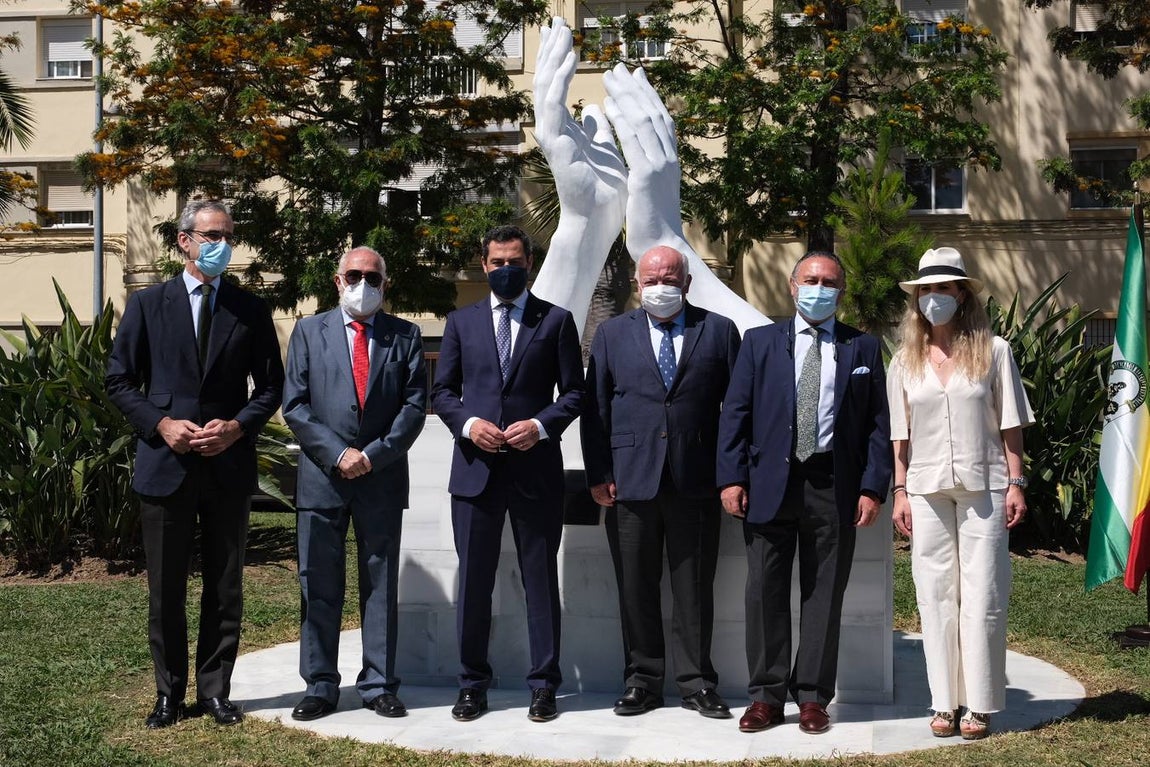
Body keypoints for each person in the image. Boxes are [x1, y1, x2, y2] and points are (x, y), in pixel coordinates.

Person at [105, 199, 284, 729]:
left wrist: (237, 426)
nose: (222, 245)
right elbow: (119, 381)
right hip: (166, 465)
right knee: (166, 588)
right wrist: (160, 424)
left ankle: (215, 691)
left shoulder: (249, 309)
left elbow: (270, 386)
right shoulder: (147, 305)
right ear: (184, 240)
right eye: (212, 235)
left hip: (227, 468)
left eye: (228, 235)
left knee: (225, 584)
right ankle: (168, 694)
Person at [716, 251, 891, 735]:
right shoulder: (759, 343)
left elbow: (878, 426)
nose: (819, 288)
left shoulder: (863, 349)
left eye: (829, 281)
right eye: (810, 279)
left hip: (833, 487)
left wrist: (874, 487)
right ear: (793, 287)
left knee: (823, 593)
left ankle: (813, 696)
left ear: (841, 291)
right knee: (764, 593)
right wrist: (731, 477)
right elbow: (736, 414)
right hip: (768, 486)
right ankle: (766, 698)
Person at [430, 225, 585, 723]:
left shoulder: (556, 321)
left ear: (529, 264)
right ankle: (472, 684)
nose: (504, 269)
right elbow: (443, 393)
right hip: (475, 472)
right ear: (483, 264)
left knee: (540, 581)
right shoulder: (459, 322)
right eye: (496, 262)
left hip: (535, 471)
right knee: (474, 582)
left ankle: (544, 685)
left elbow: (575, 394)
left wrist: (541, 426)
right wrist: (470, 425)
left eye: (513, 261)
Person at [581, 245, 740, 718]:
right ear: (636, 284)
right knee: (635, 586)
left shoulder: (719, 331)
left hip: (696, 481)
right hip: (629, 483)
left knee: (694, 587)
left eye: (669, 278)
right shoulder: (611, 334)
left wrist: (731, 476)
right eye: (651, 279)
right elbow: (596, 410)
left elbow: (735, 411)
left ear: (687, 283)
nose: (660, 286)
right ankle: (642, 682)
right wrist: (599, 474)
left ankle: (697, 683)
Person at [887, 247, 1033, 740]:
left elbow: (1011, 424)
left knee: (984, 593)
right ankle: (944, 703)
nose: (934, 298)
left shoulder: (996, 351)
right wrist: (900, 491)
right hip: (925, 490)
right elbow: (898, 436)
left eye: (943, 289)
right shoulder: (903, 361)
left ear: (962, 295)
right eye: (926, 290)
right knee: (934, 595)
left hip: (986, 485)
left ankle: (981, 704)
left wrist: (1016, 482)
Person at [282, 246, 427, 722]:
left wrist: (374, 455)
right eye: (353, 274)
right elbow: (296, 406)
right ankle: (320, 684)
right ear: (336, 279)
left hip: (381, 478)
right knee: (318, 583)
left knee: (380, 584)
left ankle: (379, 684)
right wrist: (338, 454)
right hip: (323, 480)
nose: (362, 283)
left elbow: (412, 407)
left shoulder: (405, 336)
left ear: (386, 284)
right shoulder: (307, 331)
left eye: (372, 276)